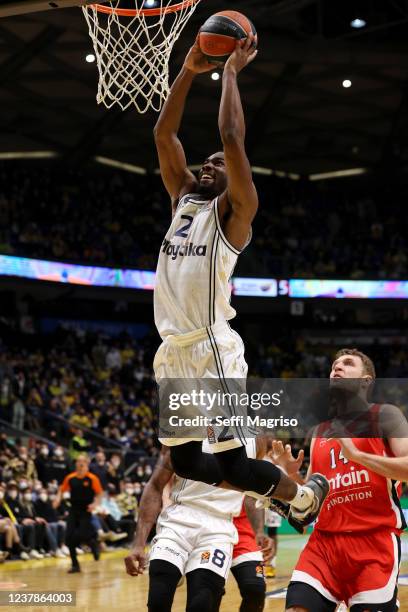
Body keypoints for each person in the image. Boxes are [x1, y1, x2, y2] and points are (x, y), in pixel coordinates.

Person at [152, 33, 327, 524]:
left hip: (213, 347)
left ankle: (301, 497)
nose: (207, 167)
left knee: (232, 460)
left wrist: (227, 72)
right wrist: (188, 70)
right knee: (184, 460)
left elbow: (231, 139)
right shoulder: (183, 200)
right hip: (173, 348)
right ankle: (285, 493)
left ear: (235, 178)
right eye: (202, 164)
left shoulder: (236, 215)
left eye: (216, 166)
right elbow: (165, 138)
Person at [280, 348, 408, 612]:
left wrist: (357, 455)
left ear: (366, 380)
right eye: (334, 365)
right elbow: (312, 497)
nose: (336, 368)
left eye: (347, 364)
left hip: (373, 543)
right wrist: (291, 478)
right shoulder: (318, 431)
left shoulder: (386, 415)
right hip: (324, 543)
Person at [124, 441, 272, 612]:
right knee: (158, 599)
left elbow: (252, 494)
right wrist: (138, 543)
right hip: (179, 518)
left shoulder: (257, 437)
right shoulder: (184, 424)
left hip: (219, 527)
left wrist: (259, 531)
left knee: (203, 603)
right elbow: (156, 484)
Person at [53, 454, 103, 573]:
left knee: (82, 535)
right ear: (76, 464)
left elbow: (99, 494)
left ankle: (93, 543)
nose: (80, 464)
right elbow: (61, 490)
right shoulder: (70, 478)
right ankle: (75, 565)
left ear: (87, 464)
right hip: (73, 510)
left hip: (86, 511)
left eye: (83, 462)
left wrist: (95, 504)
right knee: (69, 538)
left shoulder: (92, 478)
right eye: (78, 462)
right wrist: (57, 499)